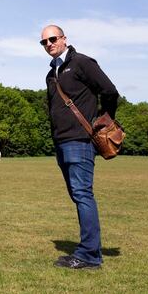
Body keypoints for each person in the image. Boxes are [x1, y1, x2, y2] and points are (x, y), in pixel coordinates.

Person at [40, 24, 118, 270]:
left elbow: (110, 91)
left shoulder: (82, 63)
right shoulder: (52, 74)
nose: (49, 44)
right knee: (77, 195)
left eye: (53, 39)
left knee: (83, 194)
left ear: (64, 39)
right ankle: (88, 251)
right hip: (61, 142)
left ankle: (89, 256)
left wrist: (104, 120)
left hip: (80, 141)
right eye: (44, 42)